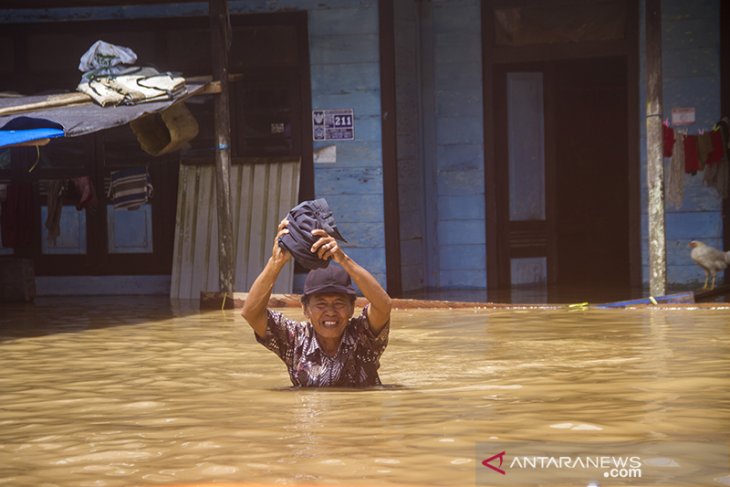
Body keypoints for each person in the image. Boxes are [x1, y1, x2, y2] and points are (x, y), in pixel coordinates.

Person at [241, 219, 392, 387]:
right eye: (321, 304)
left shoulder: (363, 337)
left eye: (339, 303)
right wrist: (275, 263)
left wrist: (343, 259)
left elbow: (383, 305)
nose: (330, 312)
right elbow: (250, 313)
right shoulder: (295, 340)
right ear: (305, 309)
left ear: (351, 308)